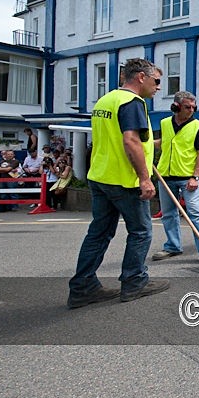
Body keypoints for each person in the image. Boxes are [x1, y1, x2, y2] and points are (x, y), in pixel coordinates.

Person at [67, 57, 167, 309]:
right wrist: (145, 178)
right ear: (141, 77)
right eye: (156, 81)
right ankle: (134, 282)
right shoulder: (133, 102)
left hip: (100, 177)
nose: (158, 87)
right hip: (124, 180)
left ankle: (82, 287)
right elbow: (130, 141)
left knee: (99, 233)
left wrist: (155, 145)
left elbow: (116, 138)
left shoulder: (106, 100)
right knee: (141, 231)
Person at [152, 91, 199, 261]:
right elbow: (164, 142)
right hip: (166, 176)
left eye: (193, 107)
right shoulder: (165, 123)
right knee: (168, 214)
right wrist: (145, 144)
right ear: (176, 106)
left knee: (196, 213)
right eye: (187, 107)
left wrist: (195, 177)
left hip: (188, 178)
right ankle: (173, 246)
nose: (191, 110)